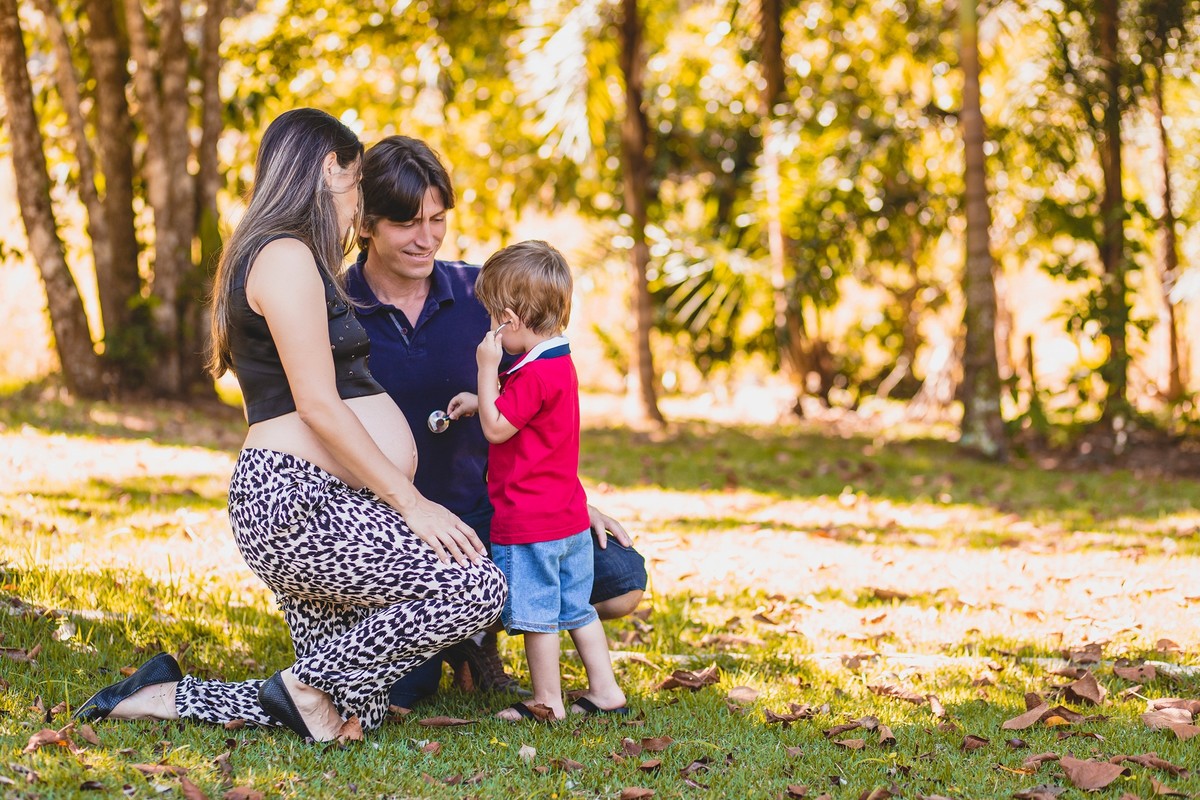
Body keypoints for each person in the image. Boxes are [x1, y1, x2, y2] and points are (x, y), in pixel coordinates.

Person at [71, 108, 506, 742]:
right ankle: (298, 688)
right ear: (331, 170)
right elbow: (317, 404)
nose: (357, 206)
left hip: (324, 496)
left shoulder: (287, 255)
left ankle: (158, 696)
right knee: (474, 588)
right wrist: (413, 504)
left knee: (353, 712)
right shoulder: (283, 254)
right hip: (294, 499)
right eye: (357, 184)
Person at [345, 135, 648, 704]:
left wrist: (571, 498)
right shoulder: (337, 307)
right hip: (395, 527)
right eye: (409, 223)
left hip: (496, 514)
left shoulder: (482, 292)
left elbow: (540, 402)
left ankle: (478, 629)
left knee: (622, 585)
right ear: (365, 222)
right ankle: (462, 634)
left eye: (438, 219)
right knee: (407, 689)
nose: (428, 237)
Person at [450, 240, 627, 720]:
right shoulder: (555, 362)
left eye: (493, 319)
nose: (491, 329)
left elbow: (495, 428)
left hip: (532, 525)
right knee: (578, 610)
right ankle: (606, 691)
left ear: (511, 318)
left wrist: (486, 369)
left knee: (537, 618)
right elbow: (516, 413)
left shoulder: (525, 374)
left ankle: (547, 701)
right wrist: (479, 395)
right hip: (567, 518)